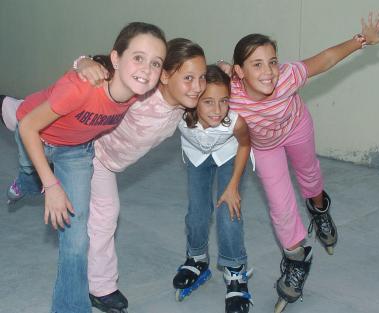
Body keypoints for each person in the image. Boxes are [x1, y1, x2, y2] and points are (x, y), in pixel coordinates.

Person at [218, 12, 379, 313]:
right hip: (264, 147)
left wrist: (360, 40)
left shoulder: (287, 76)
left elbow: (324, 59)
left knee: (310, 177)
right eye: (257, 64)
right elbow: (192, 86)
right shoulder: (229, 93)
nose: (269, 71)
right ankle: (297, 259)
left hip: (296, 128)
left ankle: (320, 209)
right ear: (239, 71)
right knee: (280, 206)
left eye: (272, 61)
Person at [6, 22, 167, 313]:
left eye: (155, 63)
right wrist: (53, 186)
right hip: (32, 131)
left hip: (75, 152)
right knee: (31, 172)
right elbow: (29, 126)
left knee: (76, 238)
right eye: (138, 58)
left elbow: (184, 76)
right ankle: (29, 181)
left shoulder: (137, 92)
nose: (147, 69)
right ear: (116, 59)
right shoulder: (82, 87)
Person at [173, 65, 252, 313]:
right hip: (197, 156)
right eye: (208, 102)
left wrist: (232, 186)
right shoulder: (178, 114)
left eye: (223, 101)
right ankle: (196, 258)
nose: (217, 110)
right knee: (197, 211)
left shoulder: (234, 122)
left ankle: (235, 270)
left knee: (228, 210)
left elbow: (245, 146)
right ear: (194, 99)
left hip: (229, 155)